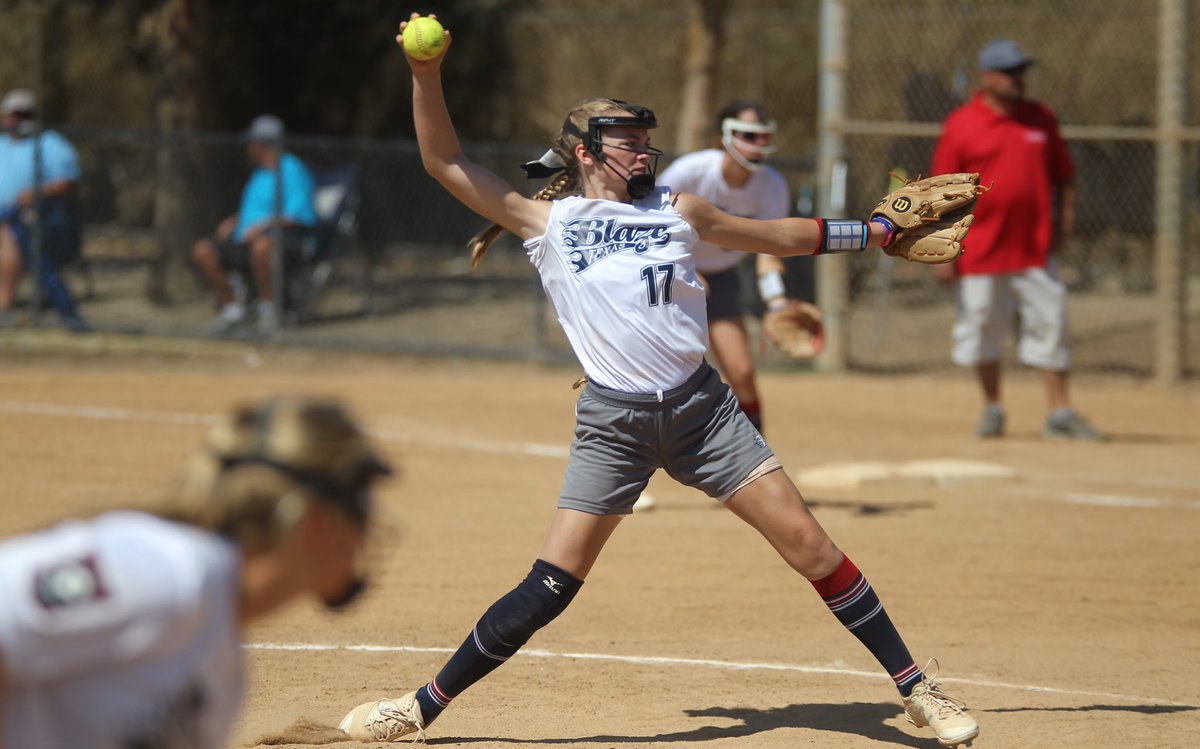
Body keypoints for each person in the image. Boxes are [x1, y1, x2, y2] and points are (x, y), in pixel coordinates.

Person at [336, 15, 980, 748]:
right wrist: (426, 75)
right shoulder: (545, 221)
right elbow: (444, 162)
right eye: (627, 141)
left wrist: (872, 233)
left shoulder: (680, 209)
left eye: (647, 139)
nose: (644, 150)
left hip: (704, 413)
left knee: (813, 547)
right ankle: (419, 707)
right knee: (551, 584)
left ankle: (916, 689)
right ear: (584, 152)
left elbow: (777, 236)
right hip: (614, 422)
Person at [0, 395, 392, 749]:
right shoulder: (162, 574)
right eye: (362, 511)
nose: (369, 532)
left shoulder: (221, 663)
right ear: (317, 521)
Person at [931, 39, 1104, 441]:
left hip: (1033, 247)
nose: (1017, 79)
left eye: (1020, 71)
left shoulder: (1041, 118)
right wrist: (941, 250)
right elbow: (941, 190)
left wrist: (1065, 221)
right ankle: (992, 407)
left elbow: (1065, 175)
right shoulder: (962, 123)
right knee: (982, 326)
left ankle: (1059, 411)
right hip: (978, 249)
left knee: (1052, 322)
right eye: (1008, 72)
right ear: (986, 77)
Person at [658, 99, 803, 437]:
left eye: (762, 137)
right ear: (724, 136)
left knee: (741, 372)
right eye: (748, 136)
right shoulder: (691, 172)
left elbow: (770, 252)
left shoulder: (772, 186)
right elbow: (647, 228)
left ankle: (757, 465)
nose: (758, 145)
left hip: (721, 279)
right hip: (668, 277)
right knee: (663, 375)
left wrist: (777, 301)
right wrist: (685, 271)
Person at [192, 114, 319, 334]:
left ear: (262, 145)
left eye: (253, 142)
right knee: (203, 250)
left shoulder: (291, 169)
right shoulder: (259, 174)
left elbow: (295, 215)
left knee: (261, 247)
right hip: (245, 239)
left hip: (285, 239)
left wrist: (262, 227)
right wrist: (234, 221)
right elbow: (252, 212)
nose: (249, 147)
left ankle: (269, 310)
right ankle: (233, 311)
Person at [0, 88, 89, 332]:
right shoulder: (1, 145)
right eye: (14, 115)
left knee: (10, 236)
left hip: (38, 220)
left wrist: (32, 195)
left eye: (25, 114)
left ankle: (4, 306)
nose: (19, 120)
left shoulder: (50, 143)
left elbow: (67, 182)